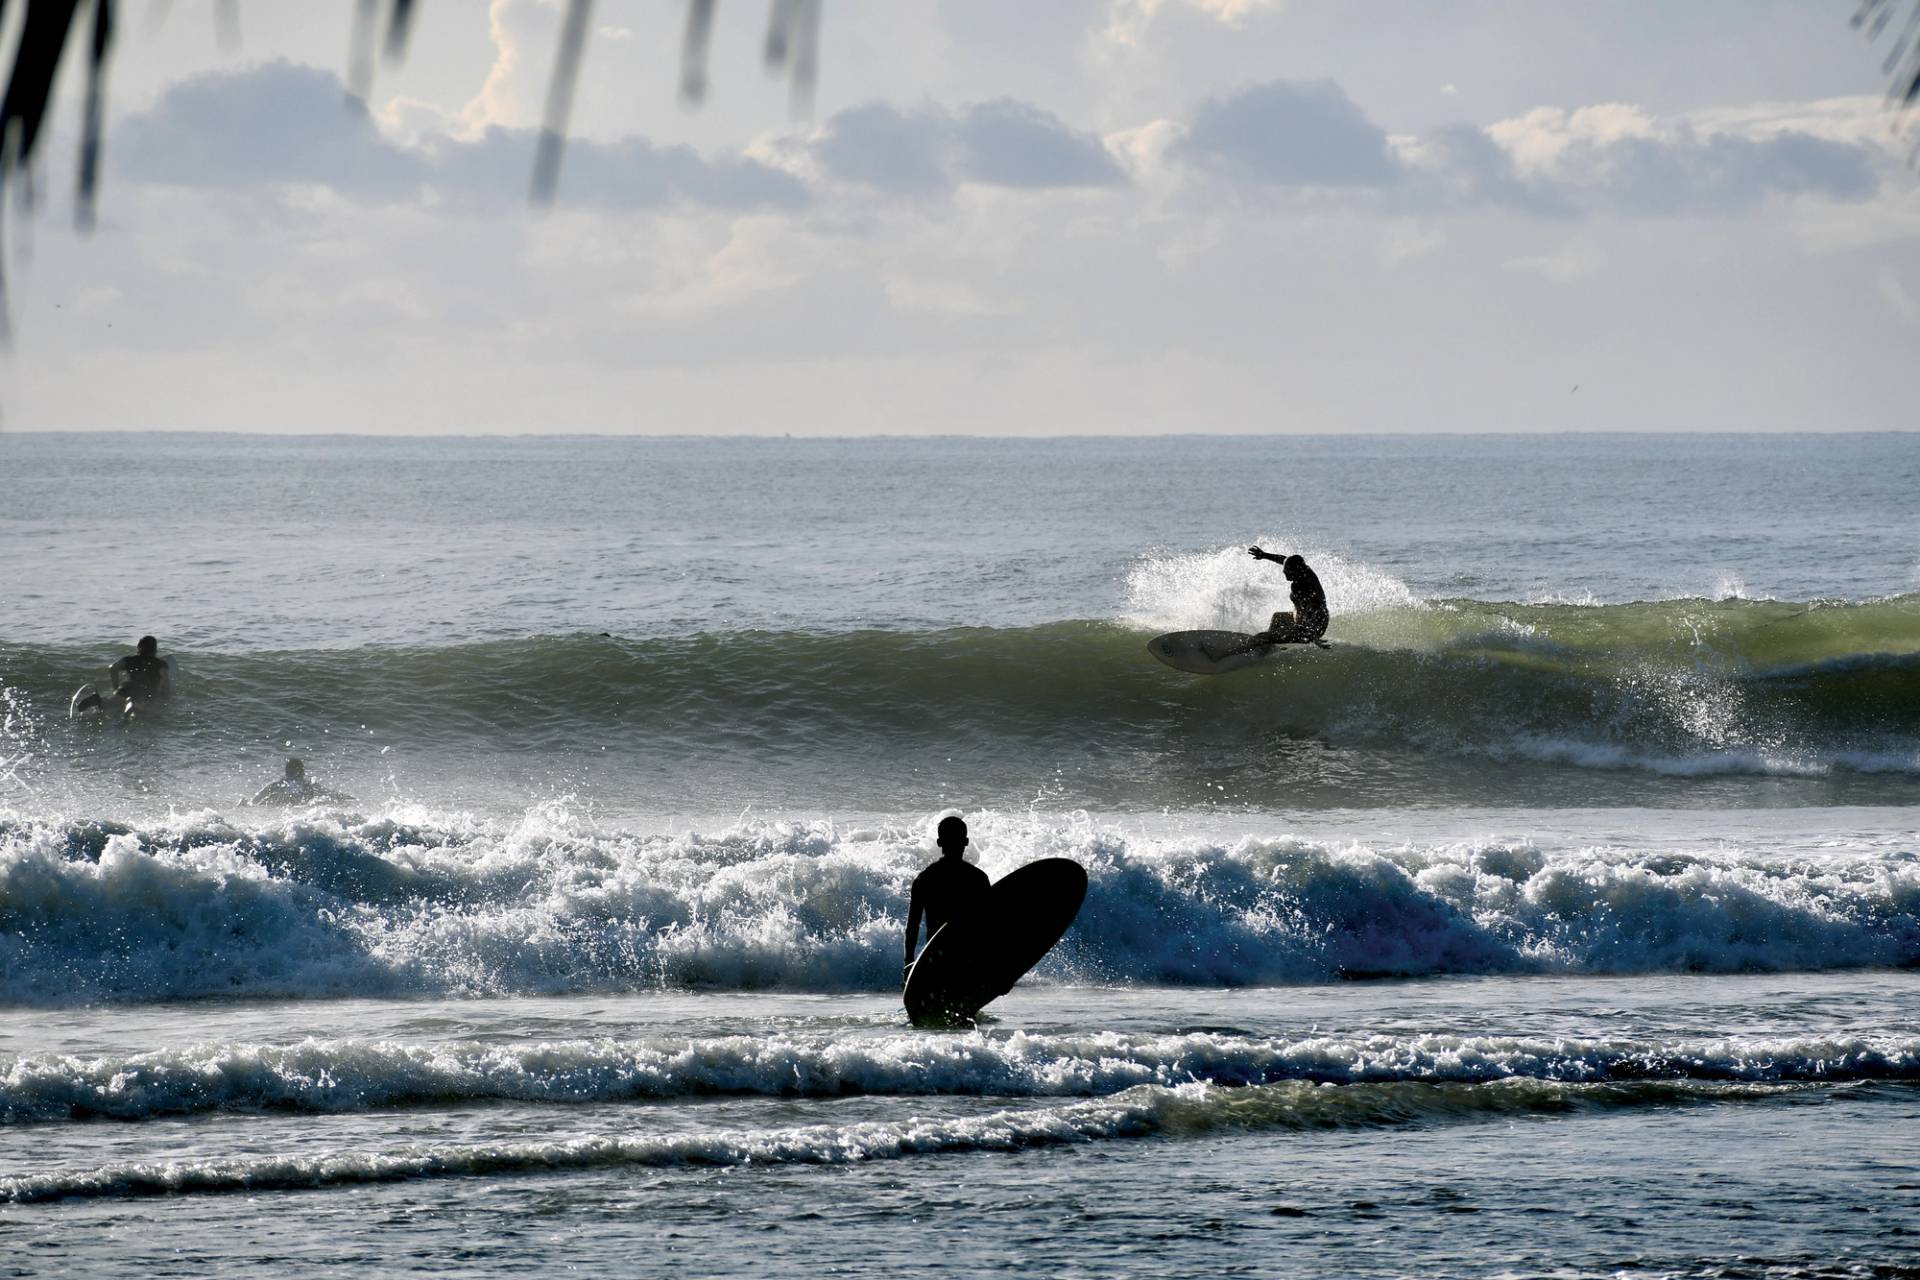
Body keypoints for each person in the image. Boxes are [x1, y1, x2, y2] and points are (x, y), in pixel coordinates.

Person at [903, 815, 991, 975]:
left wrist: (908, 963)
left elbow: (912, 927)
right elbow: (990, 925)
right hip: (970, 961)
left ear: (939, 843)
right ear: (966, 842)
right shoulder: (978, 878)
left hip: (936, 960)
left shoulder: (925, 878)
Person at [1211, 548, 1330, 658]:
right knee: (1278, 617)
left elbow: (1313, 611)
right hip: (1306, 621)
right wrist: (1264, 555)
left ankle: (1222, 655)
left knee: (1261, 637)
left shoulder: (1304, 588)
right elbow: (1283, 559)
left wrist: (1312, 635)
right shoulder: (1303, 569)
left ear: (1295, 571)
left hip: (1311, 627)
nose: (1284, 572)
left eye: (1287, 571)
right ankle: (1268, 645)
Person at [250, 758, 354, 806]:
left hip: (279, 808)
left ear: (287, 772)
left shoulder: (275, 785)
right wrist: (348, 798)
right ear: (302, 771)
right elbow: (329, 793)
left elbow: (254, 801)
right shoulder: (308, 784)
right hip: (297, 808)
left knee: (271, 798)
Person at [107, 635, 172, 710]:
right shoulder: (160, 664)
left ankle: (98, 700)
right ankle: (131, 706)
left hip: (127, 687)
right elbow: (165, 681)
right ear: (154, 649)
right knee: (144, 711)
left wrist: (116, 687)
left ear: (139, 647)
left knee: (110, 704)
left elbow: (113, 668)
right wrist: (166, 697)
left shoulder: (129, 659)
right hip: (145, 691)